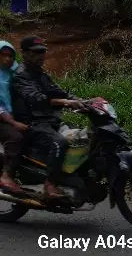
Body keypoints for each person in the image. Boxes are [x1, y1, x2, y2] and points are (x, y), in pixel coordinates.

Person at [11, 35, 87, 199]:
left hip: (49, 121)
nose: (41, 56)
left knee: (80, 135)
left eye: (42, 52)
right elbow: (36, 98)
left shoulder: (40, 74)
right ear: (24, 53)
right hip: (32, 124)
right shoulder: (21, 76)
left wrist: (84, 102)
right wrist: (65, 102)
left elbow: (59, 91)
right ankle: (50, 183)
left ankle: (73, 177)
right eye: (36, 52)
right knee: (60, 141)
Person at [0, 41, 26, 194]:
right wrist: (13, 122)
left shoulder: (14, 71)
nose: (7, 59)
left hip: (12, 114)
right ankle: (6, 175)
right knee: (16, 137)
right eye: (3, 55)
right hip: (2, 117)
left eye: (10, 56)